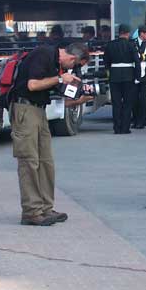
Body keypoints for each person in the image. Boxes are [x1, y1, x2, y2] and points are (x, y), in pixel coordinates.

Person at [11, 42, 92, 225]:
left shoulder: (56, 65)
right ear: (72, 58)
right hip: (25, 109)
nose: (74, 70)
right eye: (76, 66)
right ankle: (32, 211)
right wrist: (61, 79)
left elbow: (59, 97)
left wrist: (80, 98)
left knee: (46, 161)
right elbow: (32, 85)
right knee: (29, 161)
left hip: (39, 110)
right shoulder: (44, 53)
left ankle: (46, 208)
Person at [103, 24, 140, 134]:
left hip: (115, 76)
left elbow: (106, 61)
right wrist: (137, 76)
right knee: (128, 103)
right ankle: (125, 128)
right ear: (128, 33)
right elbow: (137, 62)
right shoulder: (131, 45)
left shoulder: (110, 45)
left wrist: (111, 71)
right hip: (129, 75)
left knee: (116, 103)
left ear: (119, 33)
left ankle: (117, 127)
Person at [133, 25, 146, 129]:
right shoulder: (132, 42)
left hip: (144, 72)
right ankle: (135, 119)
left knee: (143, 98)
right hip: (133, 71)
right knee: (134, 97)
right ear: (141, 34)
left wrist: (142, 57)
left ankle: (141, 121)